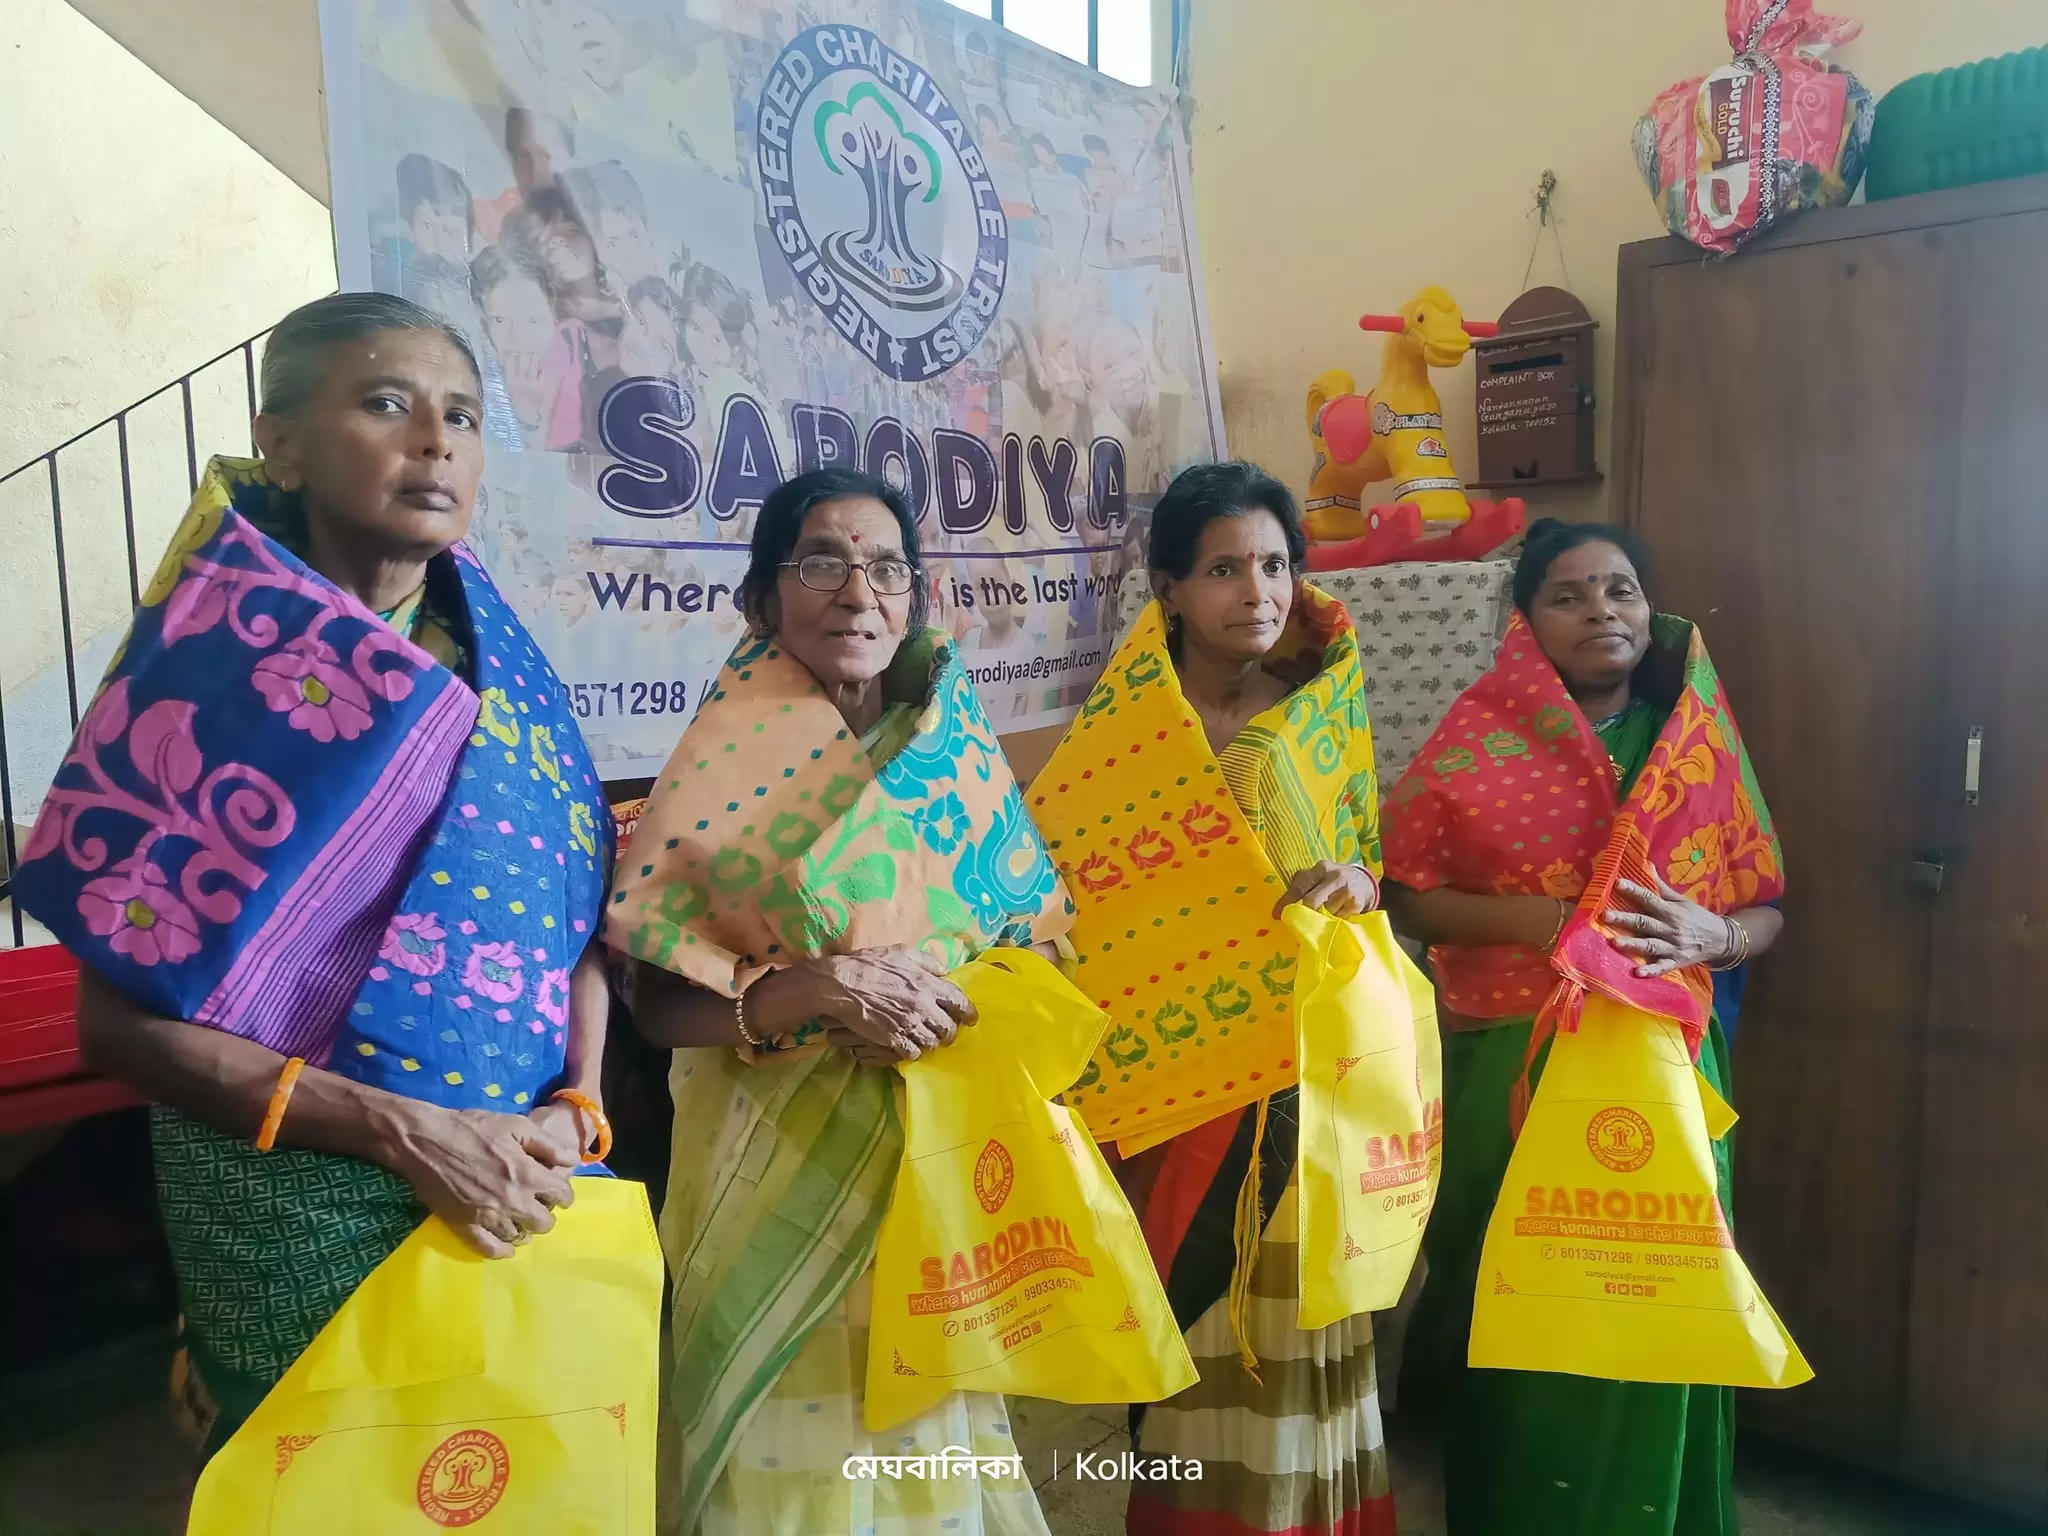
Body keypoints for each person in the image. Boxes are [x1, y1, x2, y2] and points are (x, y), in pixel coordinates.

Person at [10, 293, 618, 1454]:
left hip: (519, 1178)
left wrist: (577, 1100)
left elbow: (571, 928)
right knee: (317, 1482)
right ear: (280, 443)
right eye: (386, 403)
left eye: (462, 416)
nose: (435, 442)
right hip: (289, 1203)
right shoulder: (203, 682)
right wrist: (408, 1133)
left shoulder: (510, 684)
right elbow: (119, 1029)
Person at [609, 467, 1075, 1535]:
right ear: (761, 600)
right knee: (793, 1456)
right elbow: (656, 1006)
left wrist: (943, 1006)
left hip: (931, 1158)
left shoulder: (950, 755)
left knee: (924, 1428)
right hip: (765, 1161)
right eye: (821, 563)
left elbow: (1033, 949)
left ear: (914, 597)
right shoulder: (719, 773)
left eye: (887, 568)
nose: (858, 593)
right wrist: (814, 992)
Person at [1381, 520, 1786, 1535]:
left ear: (1647, 609)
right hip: (1510, 1062)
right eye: (1567, 595)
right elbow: (1406, 896)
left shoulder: (1693, 744)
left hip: (1664, 1065)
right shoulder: (1472, 747)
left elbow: (1765, 903)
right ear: (1525, 624)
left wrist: (1720, 934)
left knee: (1659, 1298)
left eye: (1619, 589)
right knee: (1517, 1301)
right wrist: (1549, 922)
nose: (1601, 610)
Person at [1035, 461, 1399, 1536]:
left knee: (1297, 1331)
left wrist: (1359, 881)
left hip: (1303, 1076)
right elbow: (1070, 895)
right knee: (1187, 1334)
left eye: (1275, 565)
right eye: (1226, 569)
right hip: (1170, 1083)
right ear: (1170, 590)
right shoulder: (1123, 737)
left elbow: (1370, 860)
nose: (1258, 591)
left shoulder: (1318, 716)